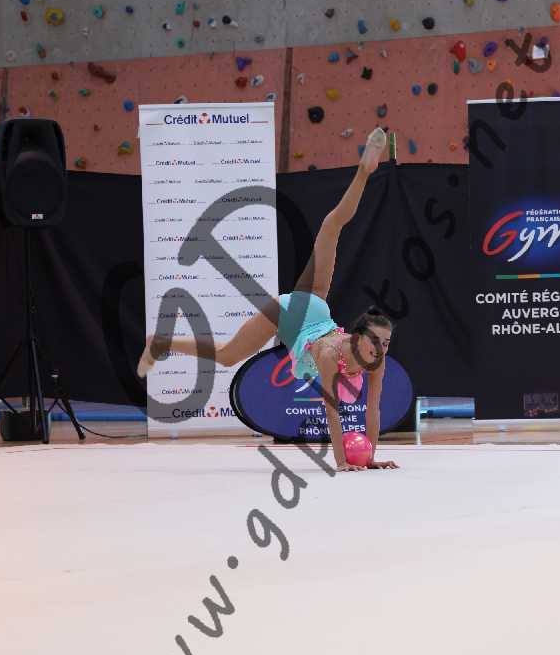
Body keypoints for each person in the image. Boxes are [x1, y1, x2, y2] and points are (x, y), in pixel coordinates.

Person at [137, 127, 400, 472]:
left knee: (330, 227)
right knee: (229, 355)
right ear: (357, 336)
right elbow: (332, 411)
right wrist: (341, 461)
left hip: (315, 306)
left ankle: (365, 171)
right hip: (289, 313)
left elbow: (373, 409)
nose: (381, 349)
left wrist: (372, 456)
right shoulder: (330, 356)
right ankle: (161, 342)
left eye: (386, 343)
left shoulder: (376, 361)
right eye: (376, 341)